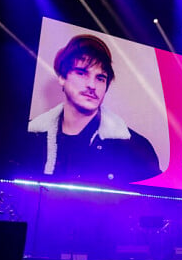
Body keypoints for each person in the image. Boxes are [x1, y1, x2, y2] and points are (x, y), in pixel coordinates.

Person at [20, 34, 161, 184]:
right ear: (62, 77)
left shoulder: (135, 147)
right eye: (82, 73)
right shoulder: (29, 137)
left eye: (100, 78)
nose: (92, 86)